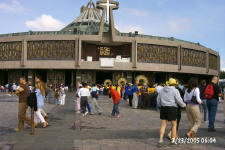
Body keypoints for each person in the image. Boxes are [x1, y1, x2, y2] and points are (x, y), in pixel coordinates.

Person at [157, 78, 186, 147]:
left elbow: (158, 99)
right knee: (174, 125)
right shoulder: (175, 90)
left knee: (163, 125)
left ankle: (160, 141)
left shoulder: (162, 90)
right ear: (174, 84)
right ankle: (173, 141)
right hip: (172, 108)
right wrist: (184, 105)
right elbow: (179, 100)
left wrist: (160, 106)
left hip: (163, 108)